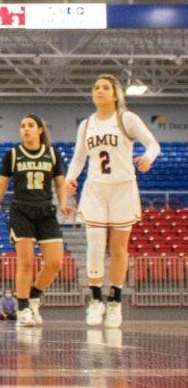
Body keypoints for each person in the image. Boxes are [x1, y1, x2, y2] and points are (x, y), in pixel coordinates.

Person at [65, 74, 160, 328]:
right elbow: (78, 158)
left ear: (116, 94)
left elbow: (153, 144)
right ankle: (96, 301)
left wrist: (148, 158)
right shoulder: (86, 125)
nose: (100, 91)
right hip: (95, 189)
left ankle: (115, 302)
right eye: (96, 87)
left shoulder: (126, 118)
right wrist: (69, 179)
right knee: (95, 246)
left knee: (119, 249)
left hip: (123, 189)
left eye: (105, 87)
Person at [0, 114, 73, 327]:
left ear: (40, 130)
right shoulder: (13, 155)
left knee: (55, 263)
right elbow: (1, 186)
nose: (25, 129)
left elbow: (60, 184)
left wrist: (62, 203)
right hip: (21, 211)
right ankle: (23, 308)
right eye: (22, 126)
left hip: (46, 212)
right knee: (26, 262)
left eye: (30, 125)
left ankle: (33, 296)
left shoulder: (52, 154)